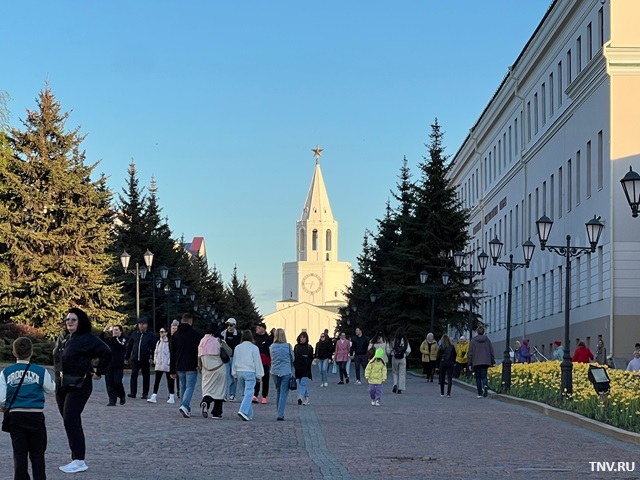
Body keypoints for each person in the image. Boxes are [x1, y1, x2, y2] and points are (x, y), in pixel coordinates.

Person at [53, 307, 111, 473]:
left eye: (73, 319)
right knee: (68, 420)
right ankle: (76, 457)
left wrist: (99, 372)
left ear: (80, 321)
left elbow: (107, 352)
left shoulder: (87, 338)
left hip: (79, 384)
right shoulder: (63, 337)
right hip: (62, 384)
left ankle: (79, 460)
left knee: (71, 419)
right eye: (67, 319)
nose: (69, 322)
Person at [0, 337, 55, 480]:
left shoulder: (6, 372)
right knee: (38, 453)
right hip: (35, 414)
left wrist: (4, 407)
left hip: (15, 415)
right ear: (31, 352)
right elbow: (51, 389)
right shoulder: (40, 371)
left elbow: (1, 398)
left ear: (13, 352)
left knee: (19, 453)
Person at [170, 313, 202, 418]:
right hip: (191, 365)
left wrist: (172, 370)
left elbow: (172, 353)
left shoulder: (175, 335)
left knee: (183, 386)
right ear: (190, 321)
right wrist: (200, 364)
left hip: (179, 365)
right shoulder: (195, 335)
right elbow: (199, 352)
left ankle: (185, 407)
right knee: (190, 386)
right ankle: (184, 405)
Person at [232, 330, 264, 421]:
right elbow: (257, 362)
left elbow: (234, 360)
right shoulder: (254, 348)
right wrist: (259, 375)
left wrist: (234, 373)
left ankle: (249, 414)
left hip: (239, 371)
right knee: (249, 393)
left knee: (245, 393)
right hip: (250, 372)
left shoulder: (238, 347)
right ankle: (243, 410)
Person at [197, 322, 226, 419]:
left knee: (207, 390)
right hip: (219, 368)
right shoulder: (218, 341)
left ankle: (205, 402)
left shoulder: (202, 341)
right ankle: (216, 412)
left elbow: (199, 356)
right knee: (219, 389)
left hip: (206, 369)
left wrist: (200, 366)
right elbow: (228, 352)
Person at [125, 317, 156, 399]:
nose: (141, 326)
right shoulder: (135, 334)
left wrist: (152, 357)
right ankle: (133, 392)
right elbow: (130, 346)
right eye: (140, 324)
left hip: (145, 359)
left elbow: (153, 347)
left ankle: (145, 393)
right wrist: (126, 357)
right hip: (135, 359)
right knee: (134, 375)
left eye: (143, 324)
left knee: (146, 376)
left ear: (146, 325)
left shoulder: (150, 335)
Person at [270, 328, 294, 420]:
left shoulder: (272, 346)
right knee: (283, 392)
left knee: (278, 391)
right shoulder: (288, 346)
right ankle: (280, 414)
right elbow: (293, 358)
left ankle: (279, 411)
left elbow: (272, 357)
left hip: (275, 371)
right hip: (286, 371)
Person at [100, 325, 127, 406]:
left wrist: (116, 338)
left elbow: (121, 347)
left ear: (120, 331)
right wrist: (104, 331)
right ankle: (112, 400)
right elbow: (100, 340)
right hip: (109, 365)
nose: (115, 331)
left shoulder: (123, 340)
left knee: (117, 382)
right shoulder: (109, 340)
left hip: (118, 365)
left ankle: (121, 395)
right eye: (114, 330)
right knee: (110, 383)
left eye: (117, 330)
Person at [148, 327, 175, 404]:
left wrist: (169, 362)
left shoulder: (169, 342)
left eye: (163, 332)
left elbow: (171, 353)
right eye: (160, 332)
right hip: (159, 364)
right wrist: (155, 360)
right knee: (157, 381)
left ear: (166, 333)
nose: (161, 333)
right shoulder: (158, 342)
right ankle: (154, 395)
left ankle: (171, 395)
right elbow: (156, 352)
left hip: (167, 364)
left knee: (170, 381)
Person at [468, 325, 495, 398]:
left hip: (476, 361)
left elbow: (470, 352)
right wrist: (492, 361)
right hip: (485, 361)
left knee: (478, 378)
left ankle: (480, 393)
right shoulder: (487, 340)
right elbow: (491, 351)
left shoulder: (473, 341)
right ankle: (485, 385)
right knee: (484, 376)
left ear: (477, 332)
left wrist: (469, 363)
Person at [220, 318, 242, 401]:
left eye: (231, 325)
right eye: (228, 325)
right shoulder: (223, 333)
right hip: (225, 358)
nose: (229, 327)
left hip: (234, 357)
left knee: (233, 376)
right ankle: (224, 394)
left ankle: (232, 394)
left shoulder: (238, 335)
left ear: (234, 325)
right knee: (225, 377)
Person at [252, 322, 273, 404]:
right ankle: (255, 395)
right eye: (256, 327)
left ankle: (264, 396)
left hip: (265, 362)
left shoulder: (268, 338)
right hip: (255, 362)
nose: (257, 328)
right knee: (256, 378)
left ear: (263, 329)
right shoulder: (254, 338)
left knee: (265, 379)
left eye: (259, 327)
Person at [294, 331, 314, 406]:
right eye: (301, 337)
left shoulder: (309, 347)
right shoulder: (296, 347)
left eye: (304, 337)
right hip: (298, 369)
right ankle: (307, 398)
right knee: (302, 384)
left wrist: (307, 361)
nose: (302, 339)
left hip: (306, 369)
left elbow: (311, 358)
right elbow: (294, 357)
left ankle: (300, 397)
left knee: (303, 383)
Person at [391, 327, 411, 394]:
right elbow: (408, 350)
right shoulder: (405, 340)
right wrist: (405, 355)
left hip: (395, 357)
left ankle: (395, 385)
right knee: (402, 373)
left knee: (394, 372)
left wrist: (392, 354)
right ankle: (400, 388)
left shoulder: (394, 340)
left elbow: (390, 349)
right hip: (402, 358)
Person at [170, 319, 180, 398]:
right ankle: (171, 392)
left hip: (177, 360)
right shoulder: (169, 338)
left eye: (175, 328)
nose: (174, 330)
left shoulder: (178, 338)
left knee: (178, 377)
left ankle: (179, 390)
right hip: (170, 360)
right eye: (173, 328)